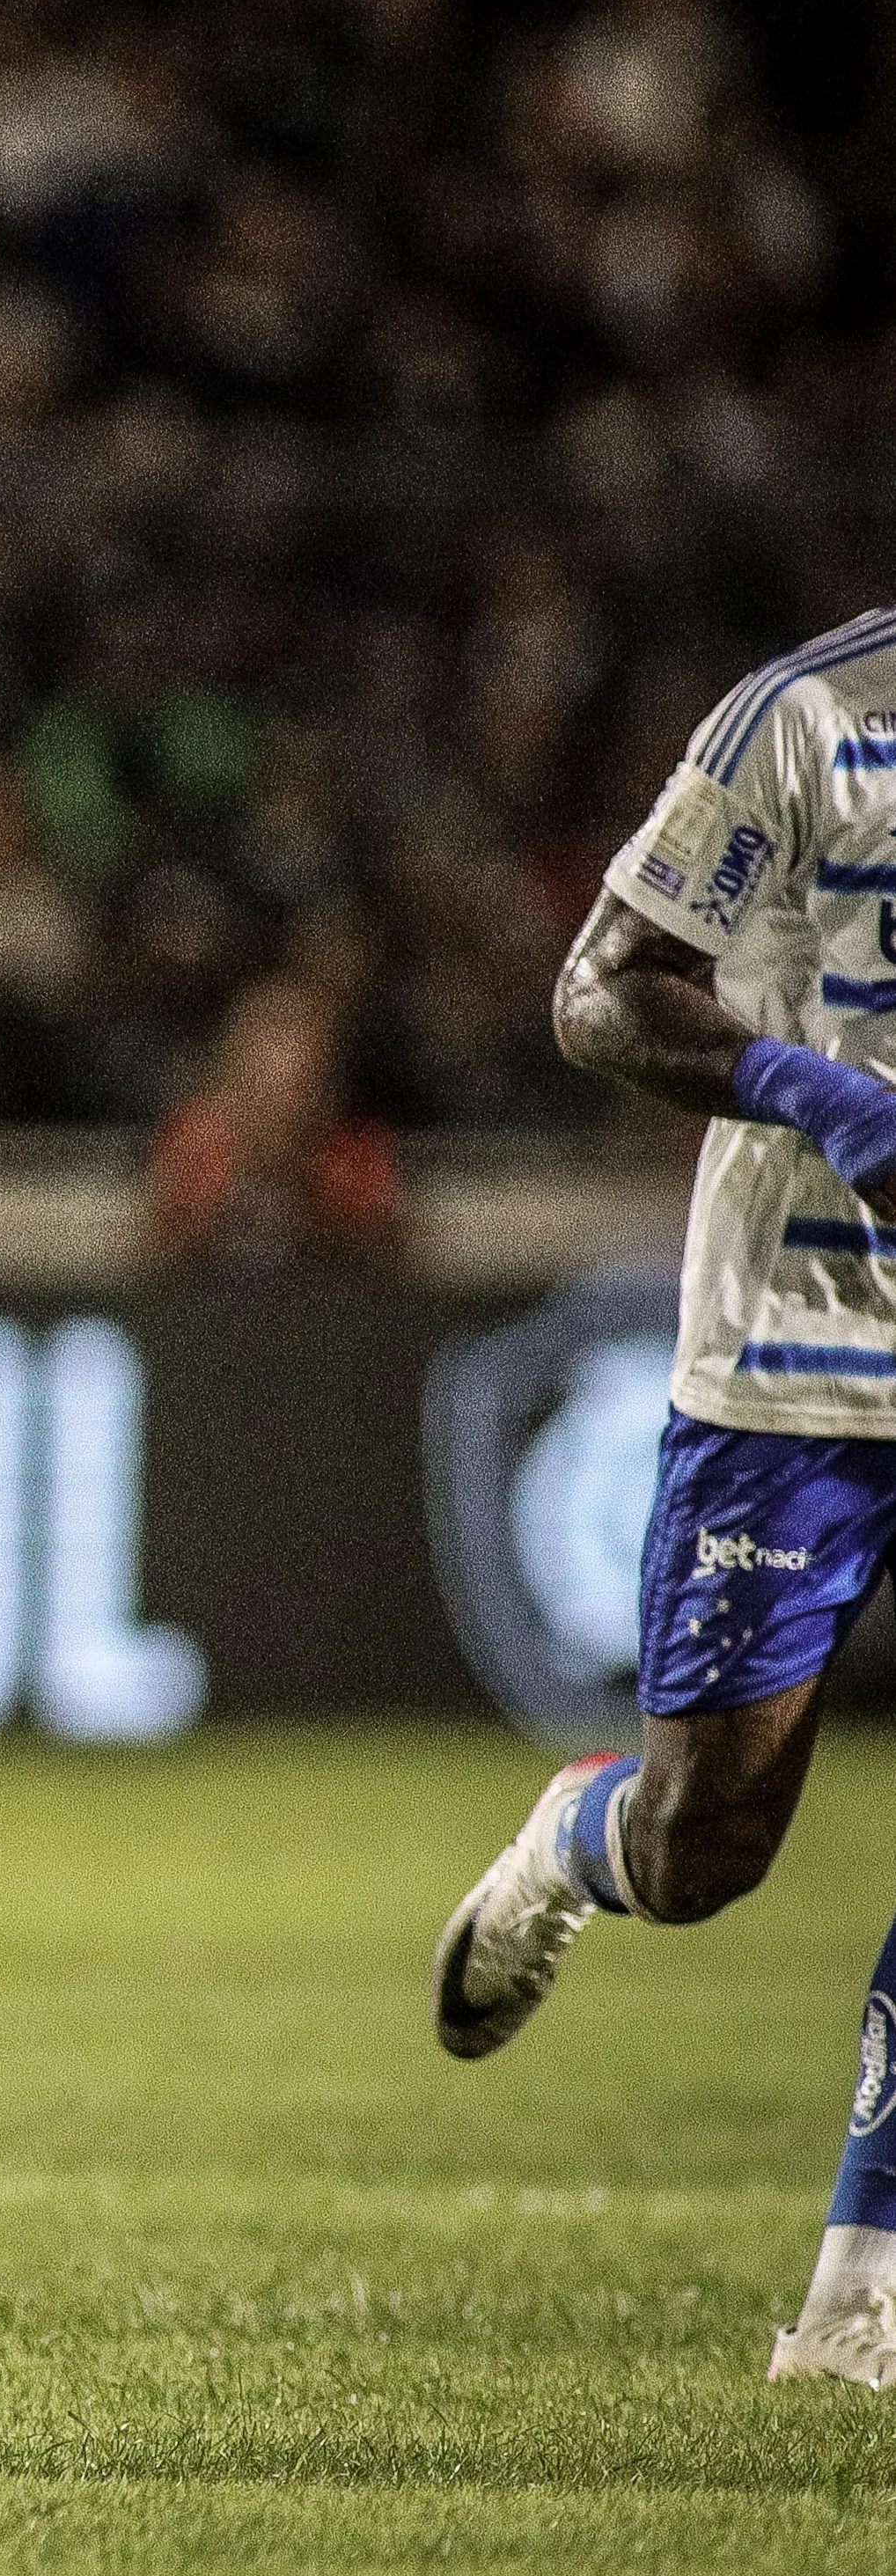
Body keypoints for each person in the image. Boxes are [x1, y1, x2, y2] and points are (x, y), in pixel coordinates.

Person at [434, 601, 896, 2387]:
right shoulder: (805, 721)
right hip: (792, 1348)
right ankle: (576, 1841)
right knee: (710, 1846)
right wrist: (815, 1095)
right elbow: (596, 990)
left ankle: (860, 2287)